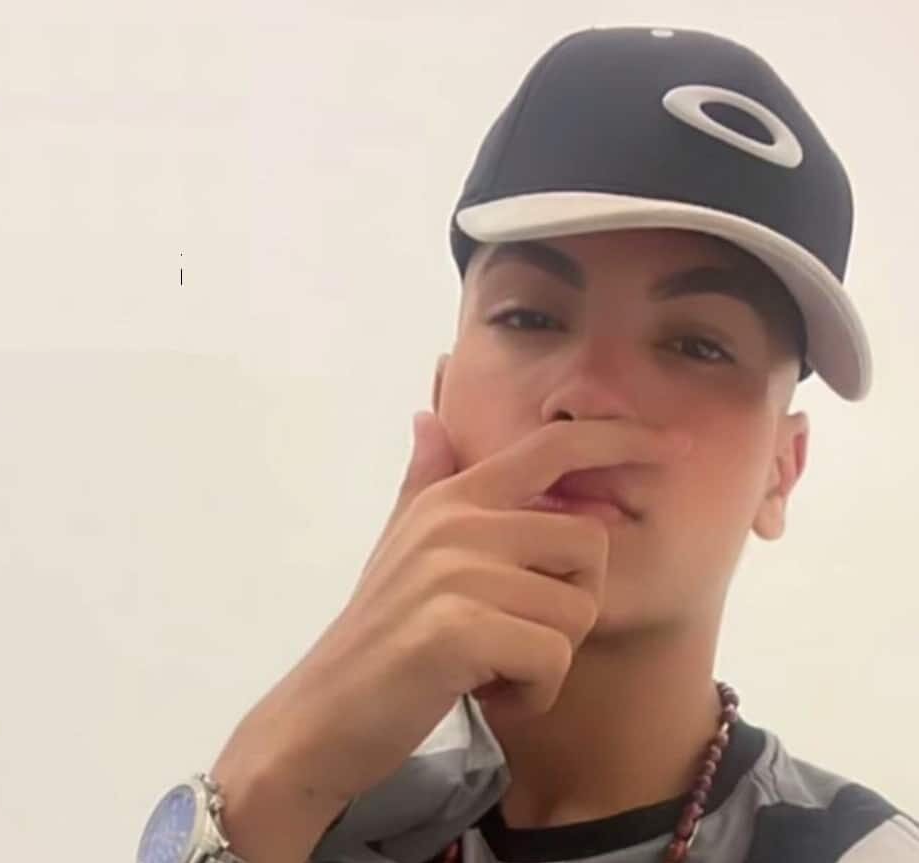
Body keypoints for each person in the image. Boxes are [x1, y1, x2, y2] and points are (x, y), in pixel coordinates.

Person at [136, 25, 919, 863]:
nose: (586, 395)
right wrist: (269, 778)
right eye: (530, 317)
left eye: (696, 344)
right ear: (442, 397)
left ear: (781, 470)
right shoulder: (298, 817)